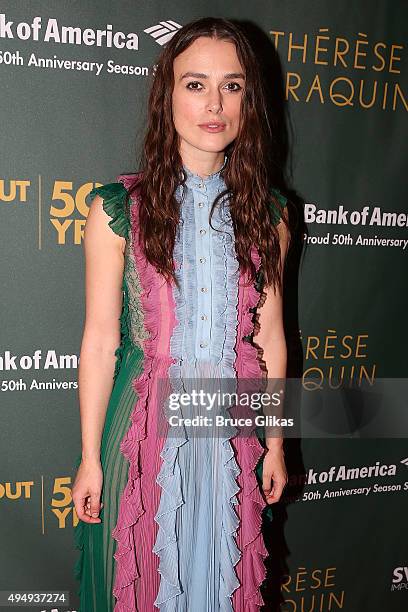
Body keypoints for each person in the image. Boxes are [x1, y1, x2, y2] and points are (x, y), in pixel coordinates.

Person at [72, 16, 291, 612]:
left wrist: (272, 442)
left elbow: (268, 338)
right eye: (195, 85)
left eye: (233, 85)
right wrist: (90, 458)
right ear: (166, 95)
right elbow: (99, 343)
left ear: (250, 99)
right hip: (142, 438)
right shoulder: (117, 209)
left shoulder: (270, 214)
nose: (214, 104)